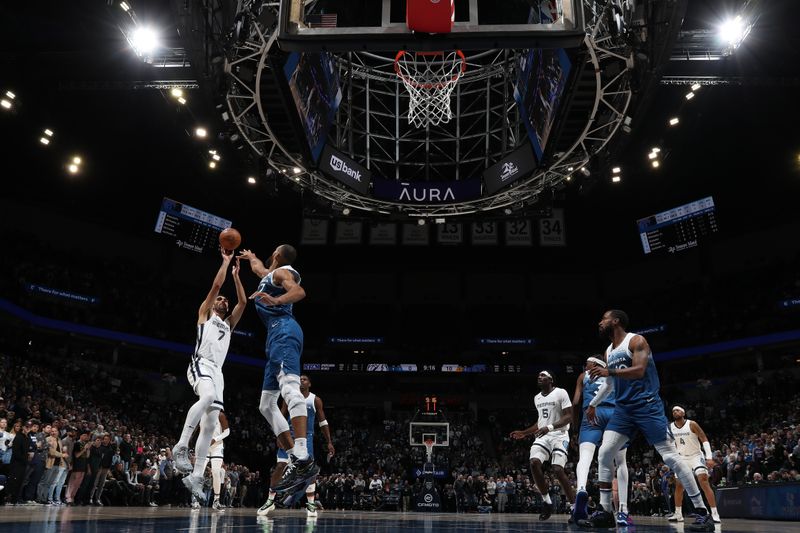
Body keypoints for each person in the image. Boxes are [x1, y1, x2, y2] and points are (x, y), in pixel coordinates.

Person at [585, 310, 714, 532]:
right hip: (624, 410)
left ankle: (703, 513)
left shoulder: (636, 340)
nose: (600, 322)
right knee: (605, 452)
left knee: (671, 457)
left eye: (604, 319)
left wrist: (609, 371)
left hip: (646, 406)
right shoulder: (609, 350)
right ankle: (606, 512)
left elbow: (638, 371)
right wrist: (594, 403)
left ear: (615, 321)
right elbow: (611, 383)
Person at [238, 245, 319, 499]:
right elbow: (259, 269)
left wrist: (277, 300)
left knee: (291, 392)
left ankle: (303, 459)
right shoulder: (269, 275)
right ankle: (297, 458)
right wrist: (251, 258)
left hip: (284, 331)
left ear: (276, 255)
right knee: (266, 404)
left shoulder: (284, 273)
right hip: (274, 336)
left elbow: (299, 291)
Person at [174, 250, 247, 503]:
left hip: (218, 372)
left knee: (209, 425)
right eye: (221, 300)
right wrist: (226, 263)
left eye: (226, 301)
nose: (224, 301)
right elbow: (216, 285)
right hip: (201, 364)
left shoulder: (228, 324)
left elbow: (243, 303)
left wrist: (237, 277)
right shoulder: (205, 314)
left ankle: (195, 475)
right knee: (206, 397)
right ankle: (181, 445)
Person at [258, 374, 335, 517]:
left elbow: (323, 422)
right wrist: (278, 434)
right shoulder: (290, 397)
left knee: (308, 470)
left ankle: (311, 504)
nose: (301, 381)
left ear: (310, 384)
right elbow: (280, 415)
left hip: (306, 438)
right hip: (288, 435)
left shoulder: (315, 400)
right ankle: (270, 500)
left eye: (305, 379)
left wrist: (329, 441)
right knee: (280, 466)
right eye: (299, 379)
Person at [570, 355, 629, 523]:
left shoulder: (583, 376)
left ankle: (581, 489)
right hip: (614, 414)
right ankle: (623, 509)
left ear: (595, 364)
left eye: (587, 363)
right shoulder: (614, 374)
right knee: (621, 461)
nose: (585, 366)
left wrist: (575, 429)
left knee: (585, 457)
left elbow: (575, 403)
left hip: (591, 415)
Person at [510, 370, 575, 521]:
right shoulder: (537, 398)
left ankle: (574, 508)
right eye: (538, 376)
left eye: (543, 375)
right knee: (533, 462)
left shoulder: (561, 392)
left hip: (559, 435)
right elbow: (540, 423)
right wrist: (525, 433)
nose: (539, 377)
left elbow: (569, 416)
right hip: (544, 435)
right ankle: (547, 502)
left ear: (551, 379)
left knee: (558, 470)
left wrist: (550, 427)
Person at [667, 406, 721, 524]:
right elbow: (670, 444)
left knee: (703, 481)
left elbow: (704, 439)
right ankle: (678, 514)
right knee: (679, 486)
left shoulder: (692, 424)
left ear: (683, 412)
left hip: (696, 456)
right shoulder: (670, 427)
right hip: (681, 458)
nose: (675, 412)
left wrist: (709, 457)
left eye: (677, 410)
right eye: (673, 411)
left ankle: (715, 513)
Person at [203, 411, 230, 511]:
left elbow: (227, 431)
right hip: (205, 444)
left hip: (217, 445)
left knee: (215, 472)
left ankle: (216, 501)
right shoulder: (202, 412)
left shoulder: (220, 414)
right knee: (200, 471)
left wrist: (215, 439)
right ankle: (195, 500)